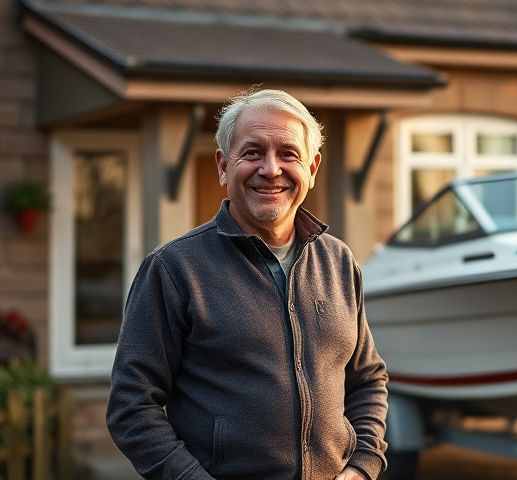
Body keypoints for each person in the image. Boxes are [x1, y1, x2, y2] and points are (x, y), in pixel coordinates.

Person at [107, 89, 388, 480]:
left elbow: (368, 380)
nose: (271, 169)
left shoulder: (339, 262)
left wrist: (362, 467)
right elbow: (131, 406)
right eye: (252, 153)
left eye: (288, 154)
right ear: (223, 166)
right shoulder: (173, 270)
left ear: (313, 168)